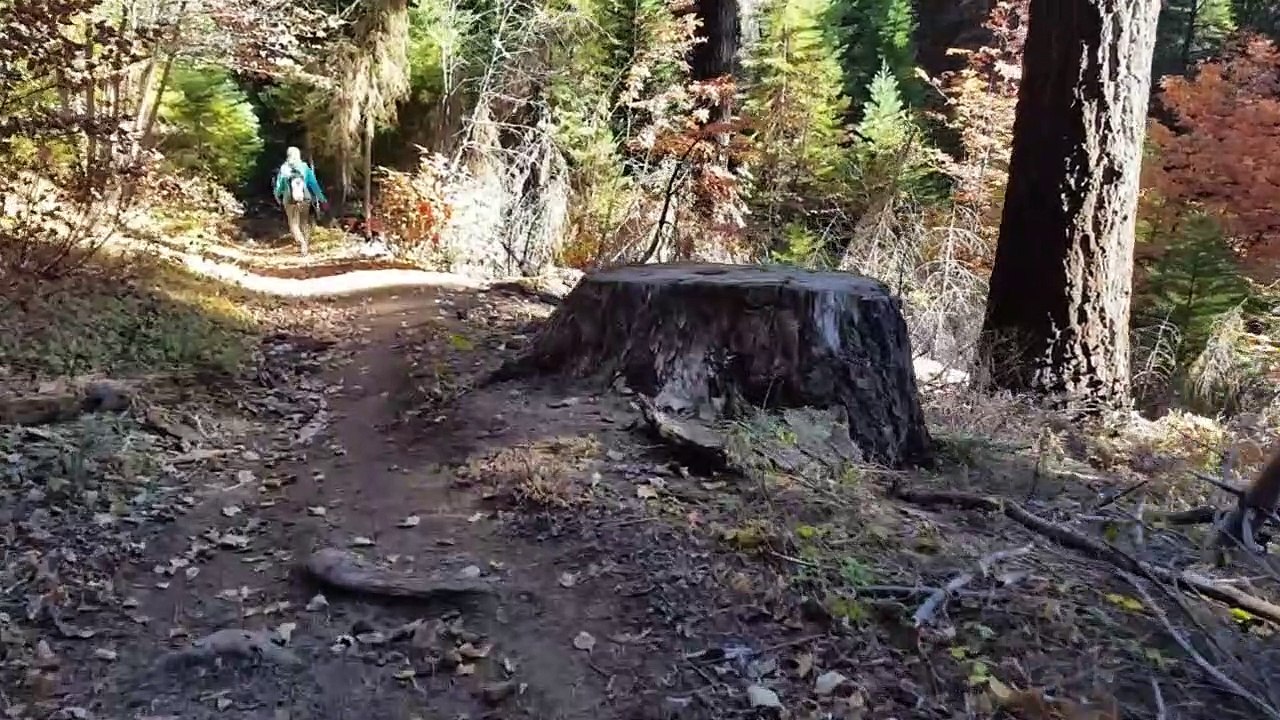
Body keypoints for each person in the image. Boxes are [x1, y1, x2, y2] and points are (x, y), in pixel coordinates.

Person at [273, 146, 328, 255]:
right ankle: (305, 246)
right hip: (304, 198)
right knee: (304, 223)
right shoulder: (304, 167)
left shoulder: (284, 168)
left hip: (289, 199)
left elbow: (279, 187)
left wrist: (277, 195)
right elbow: (314, 184)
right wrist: (322, 199)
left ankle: (302, 243)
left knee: (294, 224)